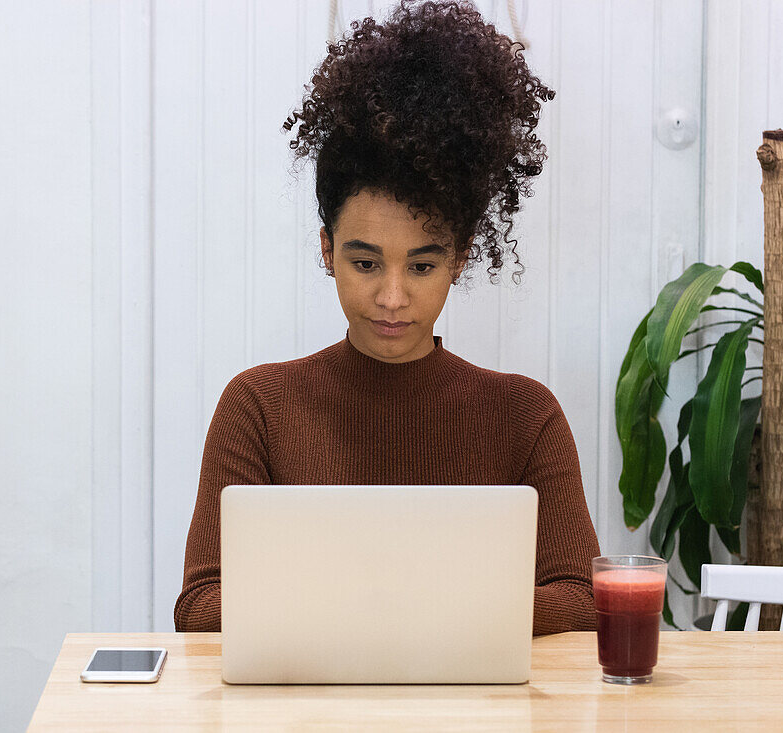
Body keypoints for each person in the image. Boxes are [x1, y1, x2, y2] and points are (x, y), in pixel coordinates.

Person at [174, 0, 599, 635]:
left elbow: (584, 596)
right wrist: (410, 611)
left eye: (422, 267)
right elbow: (201, 605)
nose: (393, 298)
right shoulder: (258, 406)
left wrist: (407, 613)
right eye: (366, 263)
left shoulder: (524, 416)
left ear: (458, 257)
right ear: (327, 250)